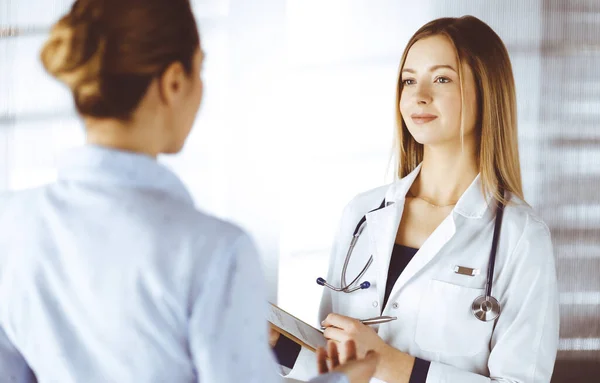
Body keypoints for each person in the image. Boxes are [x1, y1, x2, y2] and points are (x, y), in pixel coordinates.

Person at [0, 0, 379, 382]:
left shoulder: (11, 222)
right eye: (202, 67)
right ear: (174, 81)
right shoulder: (213, 250)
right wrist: (346, 379)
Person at [272, 15, 559, 383]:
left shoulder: (521, 237)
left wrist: (391, 363)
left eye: (441, 78)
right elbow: (336, 364)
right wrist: (277, 343)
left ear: (486, 90)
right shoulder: (362, 214)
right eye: (409, 80)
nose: (419, 95)